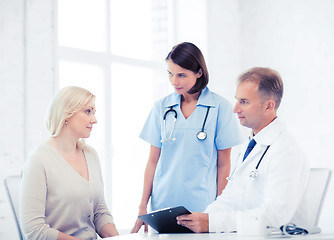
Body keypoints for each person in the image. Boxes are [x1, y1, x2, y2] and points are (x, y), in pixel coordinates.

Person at [176, 67, 310, 233]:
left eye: (244, 102)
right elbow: (230, 198)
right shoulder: (250, 145)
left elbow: (275, 215)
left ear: (269, 106)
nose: (235, 109)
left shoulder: (286, 150)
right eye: (237, 100)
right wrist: (200, 219)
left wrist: (213, 223)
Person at [131, 42, 242, 233]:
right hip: (162, 208)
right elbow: (152, 161)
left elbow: (224, 164)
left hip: (201, 209)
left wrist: (218, 212)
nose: (174, 81)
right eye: (170, 73)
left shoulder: (220, 108)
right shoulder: (162, 108)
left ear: (199, 72)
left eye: (181, 75)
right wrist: (143, 206)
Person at [20, 86, 119, 240]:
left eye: (94, 113)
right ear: (66, 114)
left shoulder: (91, 155)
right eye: (88, 111)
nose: (94, 119)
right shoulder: (38, 161)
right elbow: (34, 230)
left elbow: (99, 212)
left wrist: (119, 239)